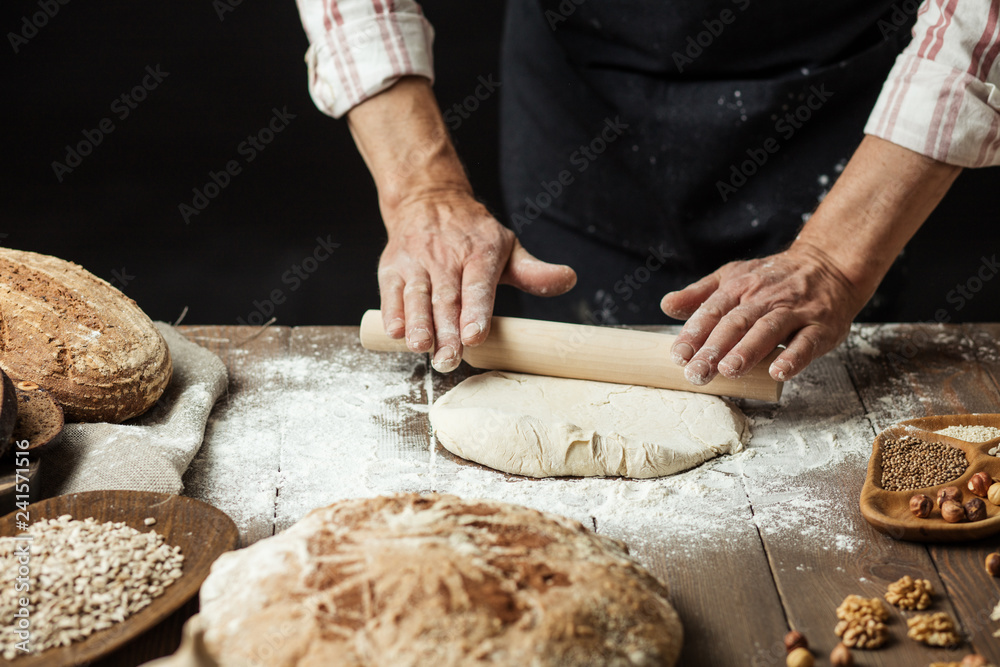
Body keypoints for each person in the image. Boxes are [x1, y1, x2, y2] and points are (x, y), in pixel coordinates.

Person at [294, 0, 999, 385]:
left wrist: (841, 258)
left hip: (843, 106)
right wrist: (423, 190)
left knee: (821, 385)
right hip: (583, 92)